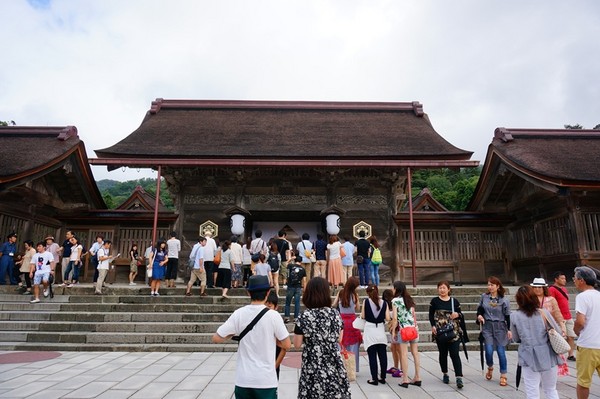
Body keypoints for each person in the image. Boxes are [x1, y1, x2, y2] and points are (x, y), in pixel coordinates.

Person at [213, 275, 290, 399]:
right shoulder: (274, 316)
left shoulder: (239, 314)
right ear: (268, 292)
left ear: (248, 292)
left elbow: (216, 338)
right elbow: (287, 345)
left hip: (243, 379)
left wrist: (235, 333)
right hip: (265, 380)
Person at [293, 277, 351, 399]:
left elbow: (297, 344)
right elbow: (340, 339)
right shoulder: (335, 314)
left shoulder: (304, 316)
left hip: (312, 364)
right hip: (333, 362)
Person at [510, 285, 561, 399]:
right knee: (551, 389)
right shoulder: (543, 313)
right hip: (547, 354)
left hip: (528, 355)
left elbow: (516, 338)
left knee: (532, 390)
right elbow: (557, 331)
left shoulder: (514, 316)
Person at [429, 280, 468, 389]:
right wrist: (432, 326)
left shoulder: (454, 301)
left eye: (444, 288)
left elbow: (461, 315)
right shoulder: (434, 301)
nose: (442, 290)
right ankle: (445, 373)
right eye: (440, 288)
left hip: (453, 332)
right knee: (443, 353)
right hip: (440, 332)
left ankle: (459, 377)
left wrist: (457, 315)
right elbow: (431, 315)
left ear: (448, 289)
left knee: (455, 354)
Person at [476, 276, 511, 386]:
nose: (490, 287)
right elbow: (480, 310)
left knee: (501, 352)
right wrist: (479, 316)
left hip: (500, 326)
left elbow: (507, 315)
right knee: (489, 350)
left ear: (498, 286)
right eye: (489, 284)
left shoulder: (504, 300)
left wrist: (509, 329)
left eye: (492, 285)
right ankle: (490, 366)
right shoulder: (484, 297)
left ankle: (503, 374)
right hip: (487, 326)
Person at [573, 266, 600, 399]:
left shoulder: (582, 297)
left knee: (583, 381)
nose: (574, 280)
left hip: (588, 345)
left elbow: (580, 321)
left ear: (581, 280)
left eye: (575, 278)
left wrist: (576, 331)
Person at [390, 280, 422, 387]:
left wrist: (394, 331)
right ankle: (418, 377)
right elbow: (414, 315)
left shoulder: (395, 301)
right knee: (415, 353)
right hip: (413, 328)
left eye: (393, 288)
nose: (392, 289)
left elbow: (395, 318)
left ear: (396, 289)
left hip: (403, 330)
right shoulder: (409, 299)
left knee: (403, 354)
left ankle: (405, 379)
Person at [361, 283, 390, 385]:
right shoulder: (384, 303)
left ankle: (374, 378)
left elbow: (363, 316)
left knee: (372, 356)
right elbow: (387, 318)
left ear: (368, 293)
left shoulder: (366, 302)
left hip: (370, 330)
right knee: (383, 355)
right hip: (380, 331)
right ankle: (383, 377)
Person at [332, 275, 362, 373]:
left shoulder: (341, 293)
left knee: (341, 343)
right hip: (352, 322)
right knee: (353, 345)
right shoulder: (355, 295)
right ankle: (352, 367)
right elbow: (357, 308)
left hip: (342, 320)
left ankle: (340, 366)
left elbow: (333, 304)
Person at [549, 271, 577, 361]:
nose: (564, 280)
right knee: (559, 337)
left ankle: (571, 354)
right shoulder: (552, 289)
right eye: (562, 278)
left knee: (571, 336)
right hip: (559, 317)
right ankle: (558, 354)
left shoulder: (564, 289)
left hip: (567, 315)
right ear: (556, 279)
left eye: (565, 278)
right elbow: (551, 303)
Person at [265, 290, 287, 380]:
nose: (267, 309)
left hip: (273, 361)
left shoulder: (277, 321)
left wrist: (275, 366)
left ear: (276, 307)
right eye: (265, 306)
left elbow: (284, 347)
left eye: (270, 306)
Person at [383, 288, 402, 378]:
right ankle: (395, 366)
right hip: (392, 329)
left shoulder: (396, 303)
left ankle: (402, 369)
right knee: (393, 347)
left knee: (399, 348)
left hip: (396, 328)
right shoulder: (388, 305)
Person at [284, 254, 306, 324]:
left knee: (288, 302)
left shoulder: (290, 266)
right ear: (301, 262)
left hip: (290, 286)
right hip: (298, 287)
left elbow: (286, 263)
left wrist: (291, 259)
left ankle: (287, 317)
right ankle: (296, 318)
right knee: (297, 303)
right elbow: (304, 280)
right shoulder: (303, 269)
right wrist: (304, 289)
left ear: (295, 260)